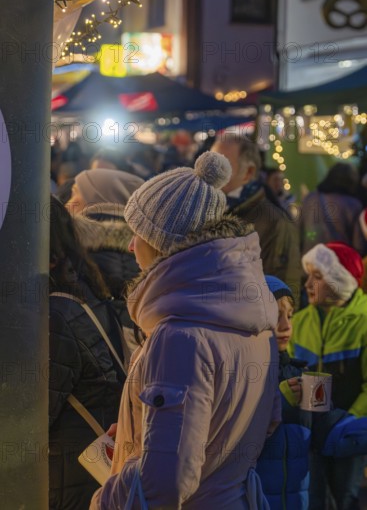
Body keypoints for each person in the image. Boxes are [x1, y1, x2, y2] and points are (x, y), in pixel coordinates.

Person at [90, 151, 280, 509]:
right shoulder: (257, 318)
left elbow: (165, 483)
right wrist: (140, 436)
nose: (131, 245)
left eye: (139, 232)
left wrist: (106, 499)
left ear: (162, 241)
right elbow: (265, 423)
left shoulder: (180, 335)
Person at [257, 276, 367, 510]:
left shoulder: (299, 373)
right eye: (275, 316)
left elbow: (329, 430)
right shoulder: (235, 374)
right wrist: (280, 401)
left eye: (290, 315)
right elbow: (230, 439)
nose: (286, 326)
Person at [49, 196, 124, 510]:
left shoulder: (54, 316)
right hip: (88, 478)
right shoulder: (84, 294)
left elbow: (29, 415)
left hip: (67, 484)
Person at [288, 242, 367, 509]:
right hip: (310, 432)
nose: (308, 283)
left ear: (339, 281)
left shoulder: (364, 322)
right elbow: (289, 373)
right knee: (312, 499)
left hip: (350, 431)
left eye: (318, 277)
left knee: (347, 498)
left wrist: (347, 425)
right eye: (308, 275)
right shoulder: (299, 322)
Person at [211, 134, 302, 308]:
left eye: (222, 164)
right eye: (210, 161)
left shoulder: (275, 222)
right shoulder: (205, 209)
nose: (211, 170)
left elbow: (284, 292)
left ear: (249, 172)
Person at [65, 168, 145, 364]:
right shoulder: (143, 250)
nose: (68, 202)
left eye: (76, 193)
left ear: (99, 199)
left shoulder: (82, 252)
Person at [299, 162, 367, 257]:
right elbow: (359, 245)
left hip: (310, 258)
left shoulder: (310, 198)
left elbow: (299, 230)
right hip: (339, 262)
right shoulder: (353, 204)